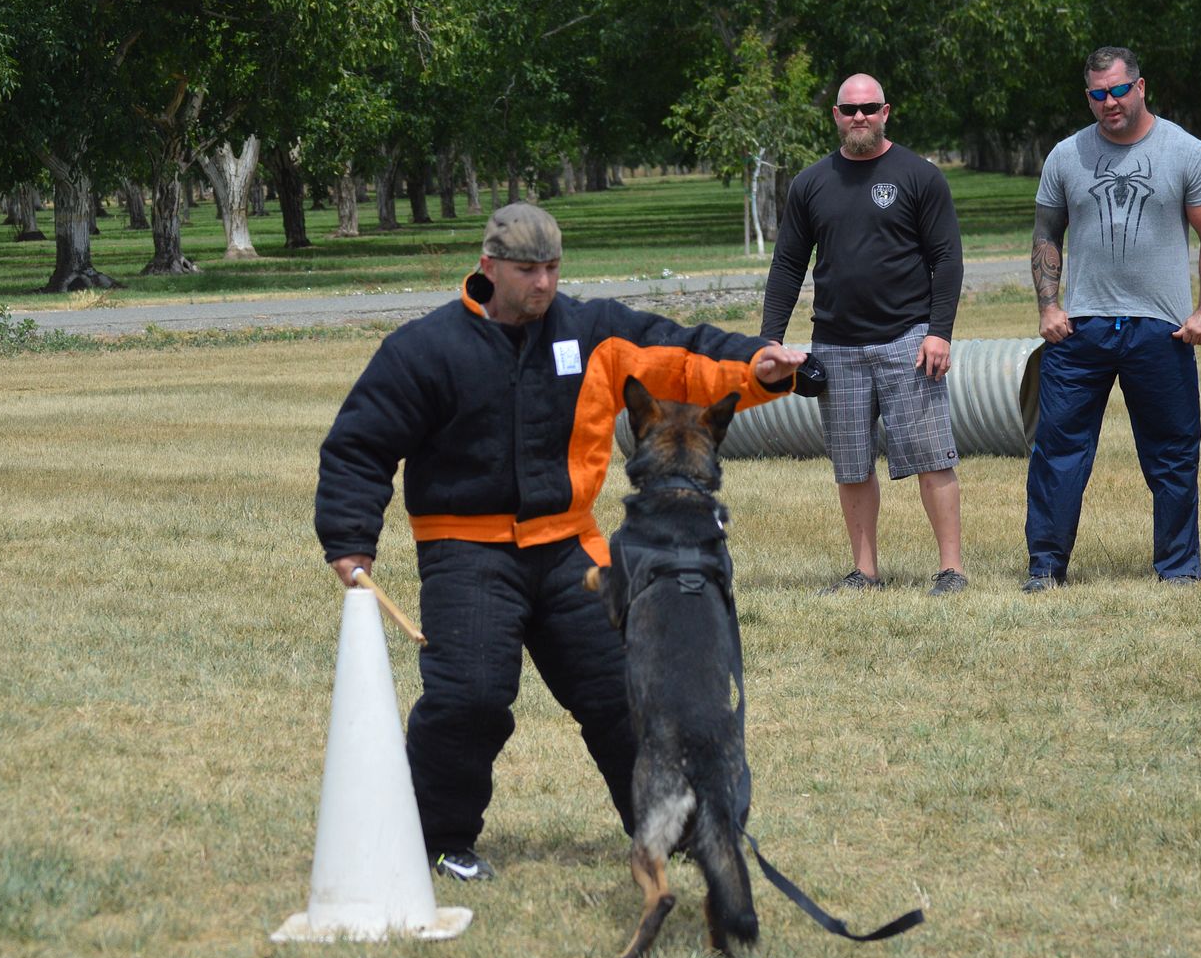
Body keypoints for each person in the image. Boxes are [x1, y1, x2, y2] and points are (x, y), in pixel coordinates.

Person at [315, 203, 808, 881]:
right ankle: (434, 839)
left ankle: (676, 825)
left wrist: (759, 366)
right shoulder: (426, 349)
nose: (543, 284)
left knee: (625, 692)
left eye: (552, 269)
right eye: (527, 270)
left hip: (570, 546)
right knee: (472, 698)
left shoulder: (592, 331)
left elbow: (684, 356)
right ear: (489, 268)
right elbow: (359, 445)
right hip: (466, 548)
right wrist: (349, 539)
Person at [1023, 47, 1201, 592]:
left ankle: (1178, 569)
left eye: (1118, 90)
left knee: (1172, 452)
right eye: (1097, 94)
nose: (1109, 102)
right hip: (1082, 328)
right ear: (1087, 96)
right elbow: (1047, 233)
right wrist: (1049, 306)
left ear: (1141, 87)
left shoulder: (1185, 151)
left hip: (1159, 329)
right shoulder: (1066, 156)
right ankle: (1046, 568)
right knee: (1058, 452)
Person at [761, 73, 968, 596]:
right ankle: (865, 572)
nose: (859, 117)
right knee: (851, 464)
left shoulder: (919, 175)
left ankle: (951, 569)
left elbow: (947, 259)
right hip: (835, 343)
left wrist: (938, 332)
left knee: (931, 457)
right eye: (849, 109)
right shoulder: (811, 182)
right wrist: (769, 339)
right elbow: (788, 264)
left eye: (869, 108)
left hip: (908, 338)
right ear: (835, 115)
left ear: (886, 112)